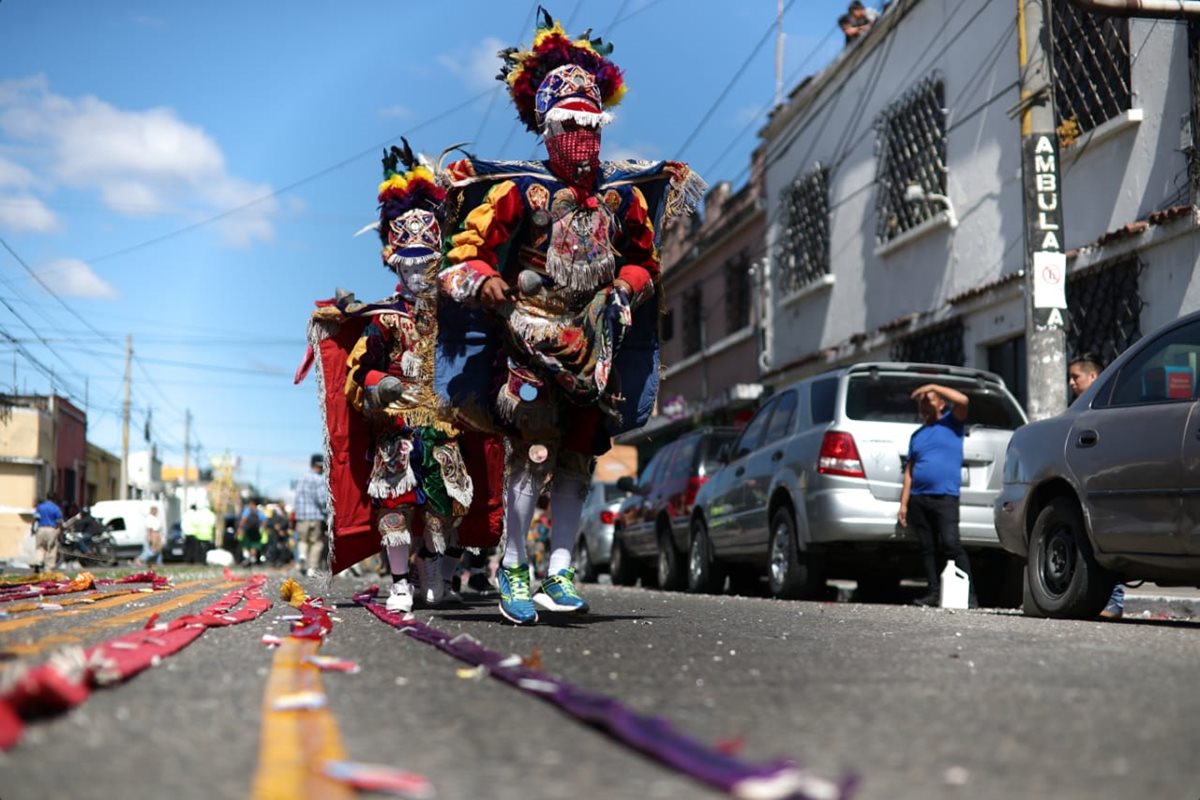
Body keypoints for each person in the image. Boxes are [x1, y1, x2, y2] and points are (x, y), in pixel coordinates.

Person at [436, 9, 704, 624]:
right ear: (547, 127)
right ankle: (512, 566)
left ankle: (559, 569)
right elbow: (464, 258)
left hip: (597, 341)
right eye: (569, 125)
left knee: (580, 454)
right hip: (528, 335)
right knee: (533, 447)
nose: (582, 136)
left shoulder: (623, 196)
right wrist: (489, 285)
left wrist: (623, 293)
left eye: (590, 124)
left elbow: (645, 263)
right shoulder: (517, 192)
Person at [898, 383, 975, 607]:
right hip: (919, 499)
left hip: (945, 497)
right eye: (922, 401)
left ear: (942, 403)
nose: (925, 403)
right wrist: (904, 504)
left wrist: (932, 385)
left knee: (951, 544)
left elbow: (963, 400)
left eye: (930, 399)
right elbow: (910, 472)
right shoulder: (917, 436)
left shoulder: (953, 423)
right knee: (927, 548)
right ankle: (933, 593)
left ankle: (969, 596)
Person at [1068, 353, 1125, 620]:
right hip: (1092, 484)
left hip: (1110, 482)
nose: (1070, 383)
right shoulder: (1086, 408)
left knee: (1110, 540)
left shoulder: (1108, 402)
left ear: (1093, 377)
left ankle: (1114, 602)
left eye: (1075, 377)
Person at [293, 454, 329, 577]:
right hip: (316, 516)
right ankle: (311, 568)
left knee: (302, 540)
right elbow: (321, 499)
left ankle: (302, 556)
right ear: (318, 466)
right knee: (316, 543)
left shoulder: (301, 478)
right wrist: (327, 511)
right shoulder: (318, 479)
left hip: (302, 517)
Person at [32, 494, 63, 572]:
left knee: (39, 547)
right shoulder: (56, 508)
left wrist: (32, 528)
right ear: (54, 498)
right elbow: (59, 522)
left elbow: (35, 518)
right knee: (51, 549)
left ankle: (38, 561)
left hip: (40, 528)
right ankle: (48, 569)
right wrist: (60, 532)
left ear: (47, 497)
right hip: (51, 529)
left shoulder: (40, 507)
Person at [238, 500, 264, 567]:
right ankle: (252, 559)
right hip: (256, 531)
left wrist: (240, 528)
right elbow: (264, 520)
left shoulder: (247, 511)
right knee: (254, 546)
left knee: (245, 545)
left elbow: (243, 519)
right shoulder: (259, 512)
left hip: (248, 531)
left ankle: (247, 558)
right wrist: (261, 528)